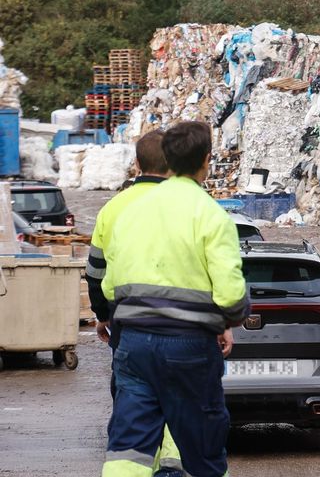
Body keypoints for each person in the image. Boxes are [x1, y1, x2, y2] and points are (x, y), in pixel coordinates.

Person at [101, 121, 250, 477]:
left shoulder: (131, 210)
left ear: (167, 158)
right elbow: (230, 295)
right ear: (207, 160)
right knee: (202, 450)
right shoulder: (210, 214)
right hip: (190, 347)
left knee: (129, 448)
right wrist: (233, 316)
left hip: (133, 344)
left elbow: (109, 287)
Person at [85, 130, 186, 475]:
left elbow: (95, 272)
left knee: (133, 402)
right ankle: (172, 465)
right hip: (182, 323)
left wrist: (102, 315)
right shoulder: (191, 206)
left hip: (127, 323)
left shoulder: (113, 209)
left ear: (137, 164)